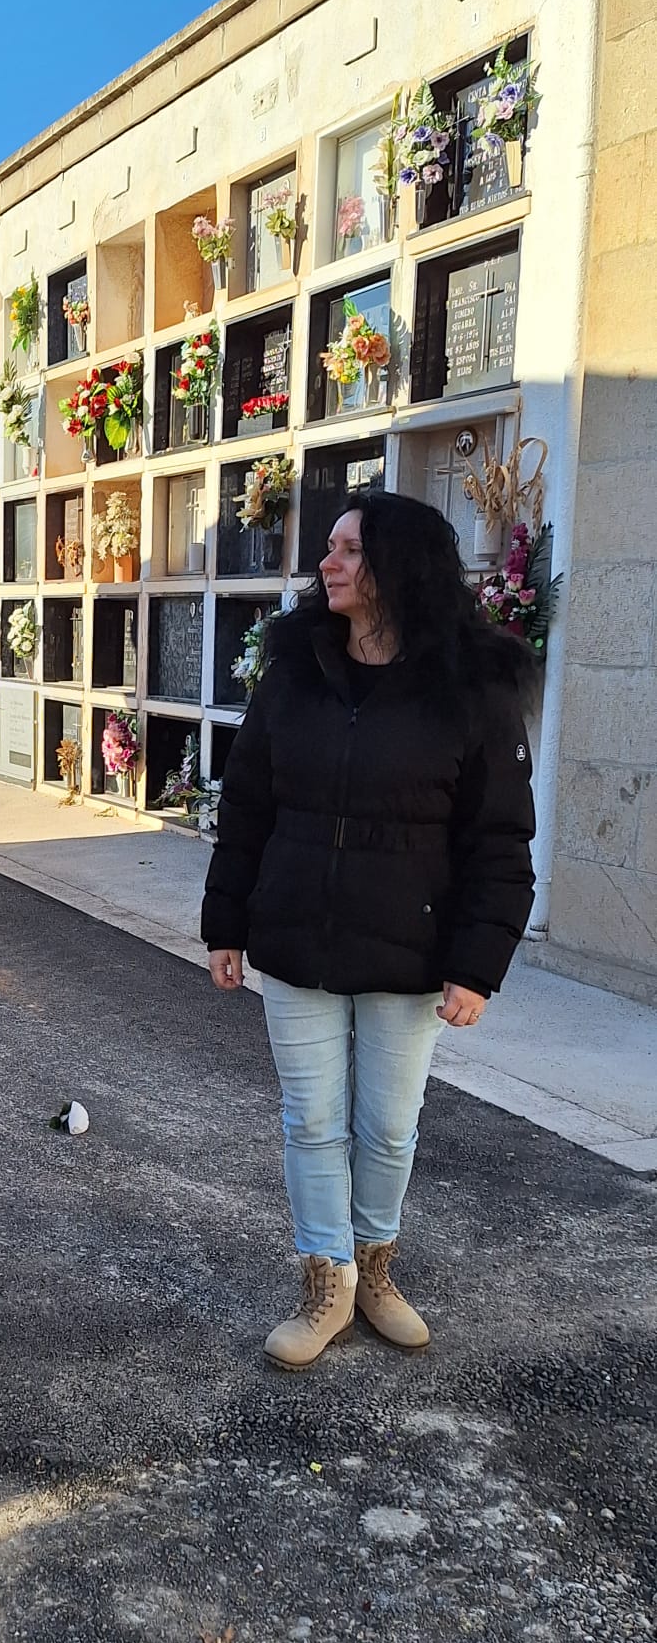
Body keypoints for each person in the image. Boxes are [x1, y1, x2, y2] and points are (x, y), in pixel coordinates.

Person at [202, 489, 536, 1369]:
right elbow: (247, 803)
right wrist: (225, 921)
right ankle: (328, 1282)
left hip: (412, 949)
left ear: (397, 568)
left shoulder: (472, 686)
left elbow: (501, 836)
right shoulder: (295, 667)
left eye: (349, 549)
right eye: (332, 549)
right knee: (310, 1121)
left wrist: (479, 962)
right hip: (298, 938)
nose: (328, 563)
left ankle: (377, 1266)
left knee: (388, 1126)